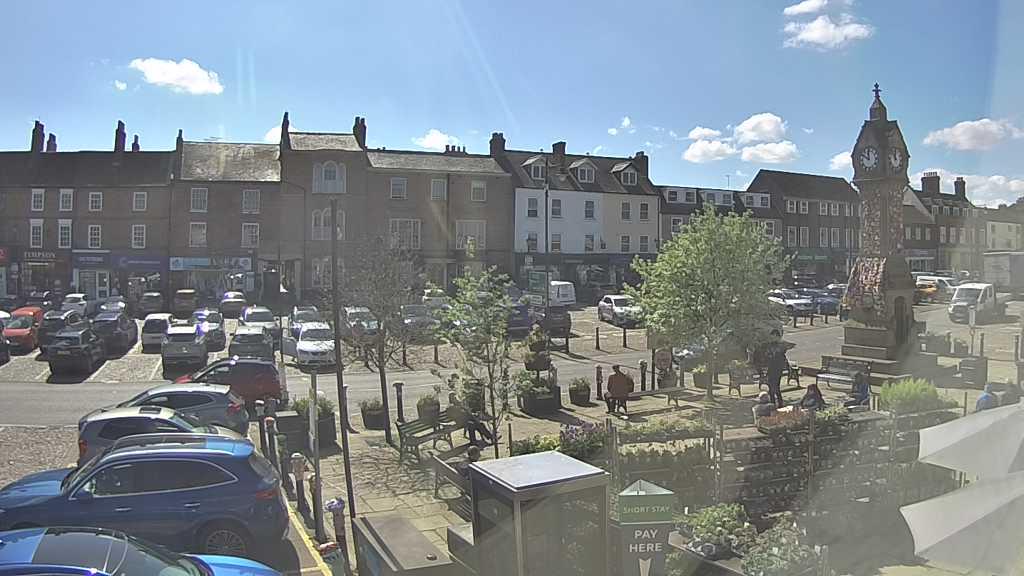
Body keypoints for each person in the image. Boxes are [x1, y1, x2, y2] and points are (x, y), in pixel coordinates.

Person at [766, 339, 787, 408]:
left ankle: (780, 403)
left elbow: (781, 365)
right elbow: (769, 364)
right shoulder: (771, 355)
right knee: (771, 389)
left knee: (776, 388)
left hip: (777, 373)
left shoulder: (780, 355)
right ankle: (773, 403)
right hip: (771, 373)